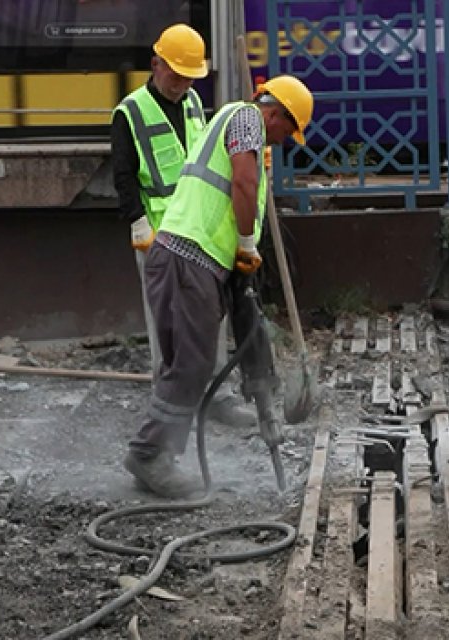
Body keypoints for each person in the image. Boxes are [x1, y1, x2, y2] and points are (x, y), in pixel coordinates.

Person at [122, 74, 314, 497]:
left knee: (186, 364)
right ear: (276, 113)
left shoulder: (240, 126)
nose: (282, 142)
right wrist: (246, 244)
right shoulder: (246, 119)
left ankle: (157, 454)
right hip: (188, 257)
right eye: (287, 131)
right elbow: (242, 183)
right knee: (193, 363)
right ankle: (149, 455)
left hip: (191, 259)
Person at [111, 23, 253, 429]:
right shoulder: (130, 112)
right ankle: (168, 405)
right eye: (176, 76)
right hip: (159, 235)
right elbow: (123, 174)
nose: (183, 84)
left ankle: (218, 398)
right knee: (166, 324)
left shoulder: (192, 103)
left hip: (202, 232)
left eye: (190, 77)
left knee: (212, 316)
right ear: (156, 64)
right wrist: (137, 222)